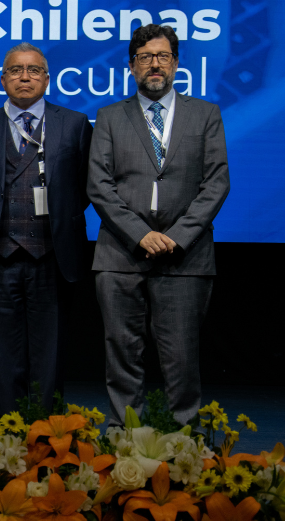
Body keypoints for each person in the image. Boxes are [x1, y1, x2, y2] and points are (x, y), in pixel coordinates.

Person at [88, 24, 230, 426]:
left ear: (176, 63)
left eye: (163, 56)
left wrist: (176, 237)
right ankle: (124, 434)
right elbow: (99, 185)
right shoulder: (109, 117)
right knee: (122, 352)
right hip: (120, 254)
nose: (155, 64)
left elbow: (217, 182)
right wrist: (141, 235)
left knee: (181, 355)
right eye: (146, 57)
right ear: (132, 66)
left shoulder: (205, 114)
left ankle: (183, 439)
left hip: (185, 256)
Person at [0, 43, 93, 418]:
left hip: (53, 257)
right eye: (16, 70)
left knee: (50, 357)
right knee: (4, 358)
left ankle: (49, 437)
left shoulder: (75, 124)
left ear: (47, 80)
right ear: (2, 79)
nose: (24, 76)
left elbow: (83, 190)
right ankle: (7, 437)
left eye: (34, 70)